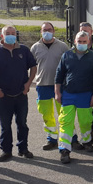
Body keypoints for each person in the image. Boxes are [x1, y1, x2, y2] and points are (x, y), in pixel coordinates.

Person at [0, 25, 37, 162]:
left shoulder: (24, 50)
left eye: (13, 33)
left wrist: (28, 84)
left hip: (21, 95)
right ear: (2, 36)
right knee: (5, 125)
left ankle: (23, 149)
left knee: (22, 123)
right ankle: (6, 151)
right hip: (3, 97)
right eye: (7, 33)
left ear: (16, 35)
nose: (10, 35)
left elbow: (33, 66)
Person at [54, 31, 93, 163]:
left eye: (84, 41)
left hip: (86, 95)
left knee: (85, 122)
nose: (81, 44)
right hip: (68, 94)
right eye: (79, 41)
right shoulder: (67, 55)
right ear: (75, 41)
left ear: (89, 42)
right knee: (65, 122)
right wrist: (57, 92)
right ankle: (64, 150)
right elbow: (58, 75)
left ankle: (86, 141)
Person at [30, 22, 69, 150]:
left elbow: (69, 65)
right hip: (43, 85)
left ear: (53, 31)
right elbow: (32, 66)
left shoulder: (63, 46)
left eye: (49, 29)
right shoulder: (35, 47)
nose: (47, 32)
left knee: (64, 114)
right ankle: (52, 139)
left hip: (60, 85)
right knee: (47, 115)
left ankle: (69, 139)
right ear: (41, 32)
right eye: (44, 30)